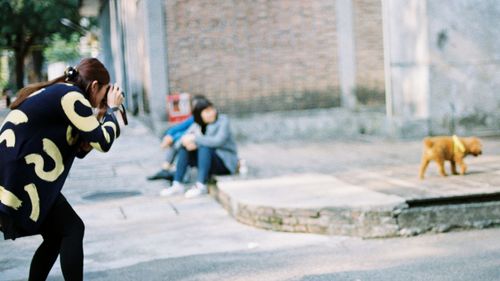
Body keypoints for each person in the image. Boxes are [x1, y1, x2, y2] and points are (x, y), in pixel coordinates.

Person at [0, 58, 123, 280]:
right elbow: (103, 142)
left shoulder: (66, 94)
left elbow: (83, 148)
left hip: (18, 171)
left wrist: (104, 114)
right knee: (72, 229)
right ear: (94, 86)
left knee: (59, 234)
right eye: (104, 93)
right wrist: (113, 109)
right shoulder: (71, 96)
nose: (102, 100)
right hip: (18, 175)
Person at [160, 97, 239, 198]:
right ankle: (177, 184)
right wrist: (186, 142)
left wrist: (195, 139)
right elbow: (181, 141)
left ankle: (201, 185)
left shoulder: (223, 121)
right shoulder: (197, 125)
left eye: (211, 109)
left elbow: (218, 141)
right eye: (206, 111)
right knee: (185, 146)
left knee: (204, 146)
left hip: (224, 163)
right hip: (207, 162)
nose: (211, 113)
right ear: (199, 115)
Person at [147, 95, 205, 181]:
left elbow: (194, 135)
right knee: (179, 142)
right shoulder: (194, 118)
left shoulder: (206, 120)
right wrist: (169, 136)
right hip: (192, 144)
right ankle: (168, 171)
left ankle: (174, 173)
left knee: (181, 143)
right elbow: (179, 128)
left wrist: (174, 138)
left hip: (200, 147)